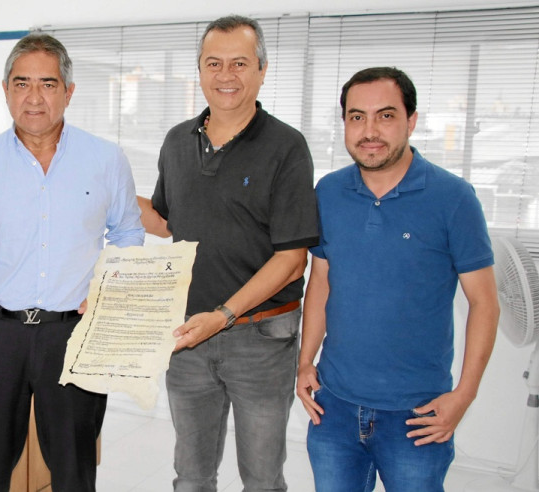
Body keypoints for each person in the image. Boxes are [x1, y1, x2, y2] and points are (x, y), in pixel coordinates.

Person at [0, 33, 144, 491]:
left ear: (68, 92)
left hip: (74, 333)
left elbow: (128, 233)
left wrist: (109, 292)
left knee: (74, 473)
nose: (34, 97)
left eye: (48, 84)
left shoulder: (105, 159)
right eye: (22, 83)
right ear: (6, 89)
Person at [137, 15, 319, 491]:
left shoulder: (286, 146)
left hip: (261, 338)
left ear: (262, 70)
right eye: (213, 63)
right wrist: (106, 193)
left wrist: (222, 316)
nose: (226, 75)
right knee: (191, 476)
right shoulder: (177, 141)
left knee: (261, 479)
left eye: (239, 63)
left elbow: (292, 260)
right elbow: (167, 222)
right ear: (199, 70)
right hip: (188, 335)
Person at [296, 67, 499, 491]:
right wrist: (305, 360)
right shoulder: (328, 192)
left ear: (411, 120)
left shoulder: (454, 198)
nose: (369, 131)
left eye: (385, 116)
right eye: (357, 117)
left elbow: (484, 302)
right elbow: (322, 281)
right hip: (334, 407)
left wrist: (464, 395)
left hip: (417, 415)